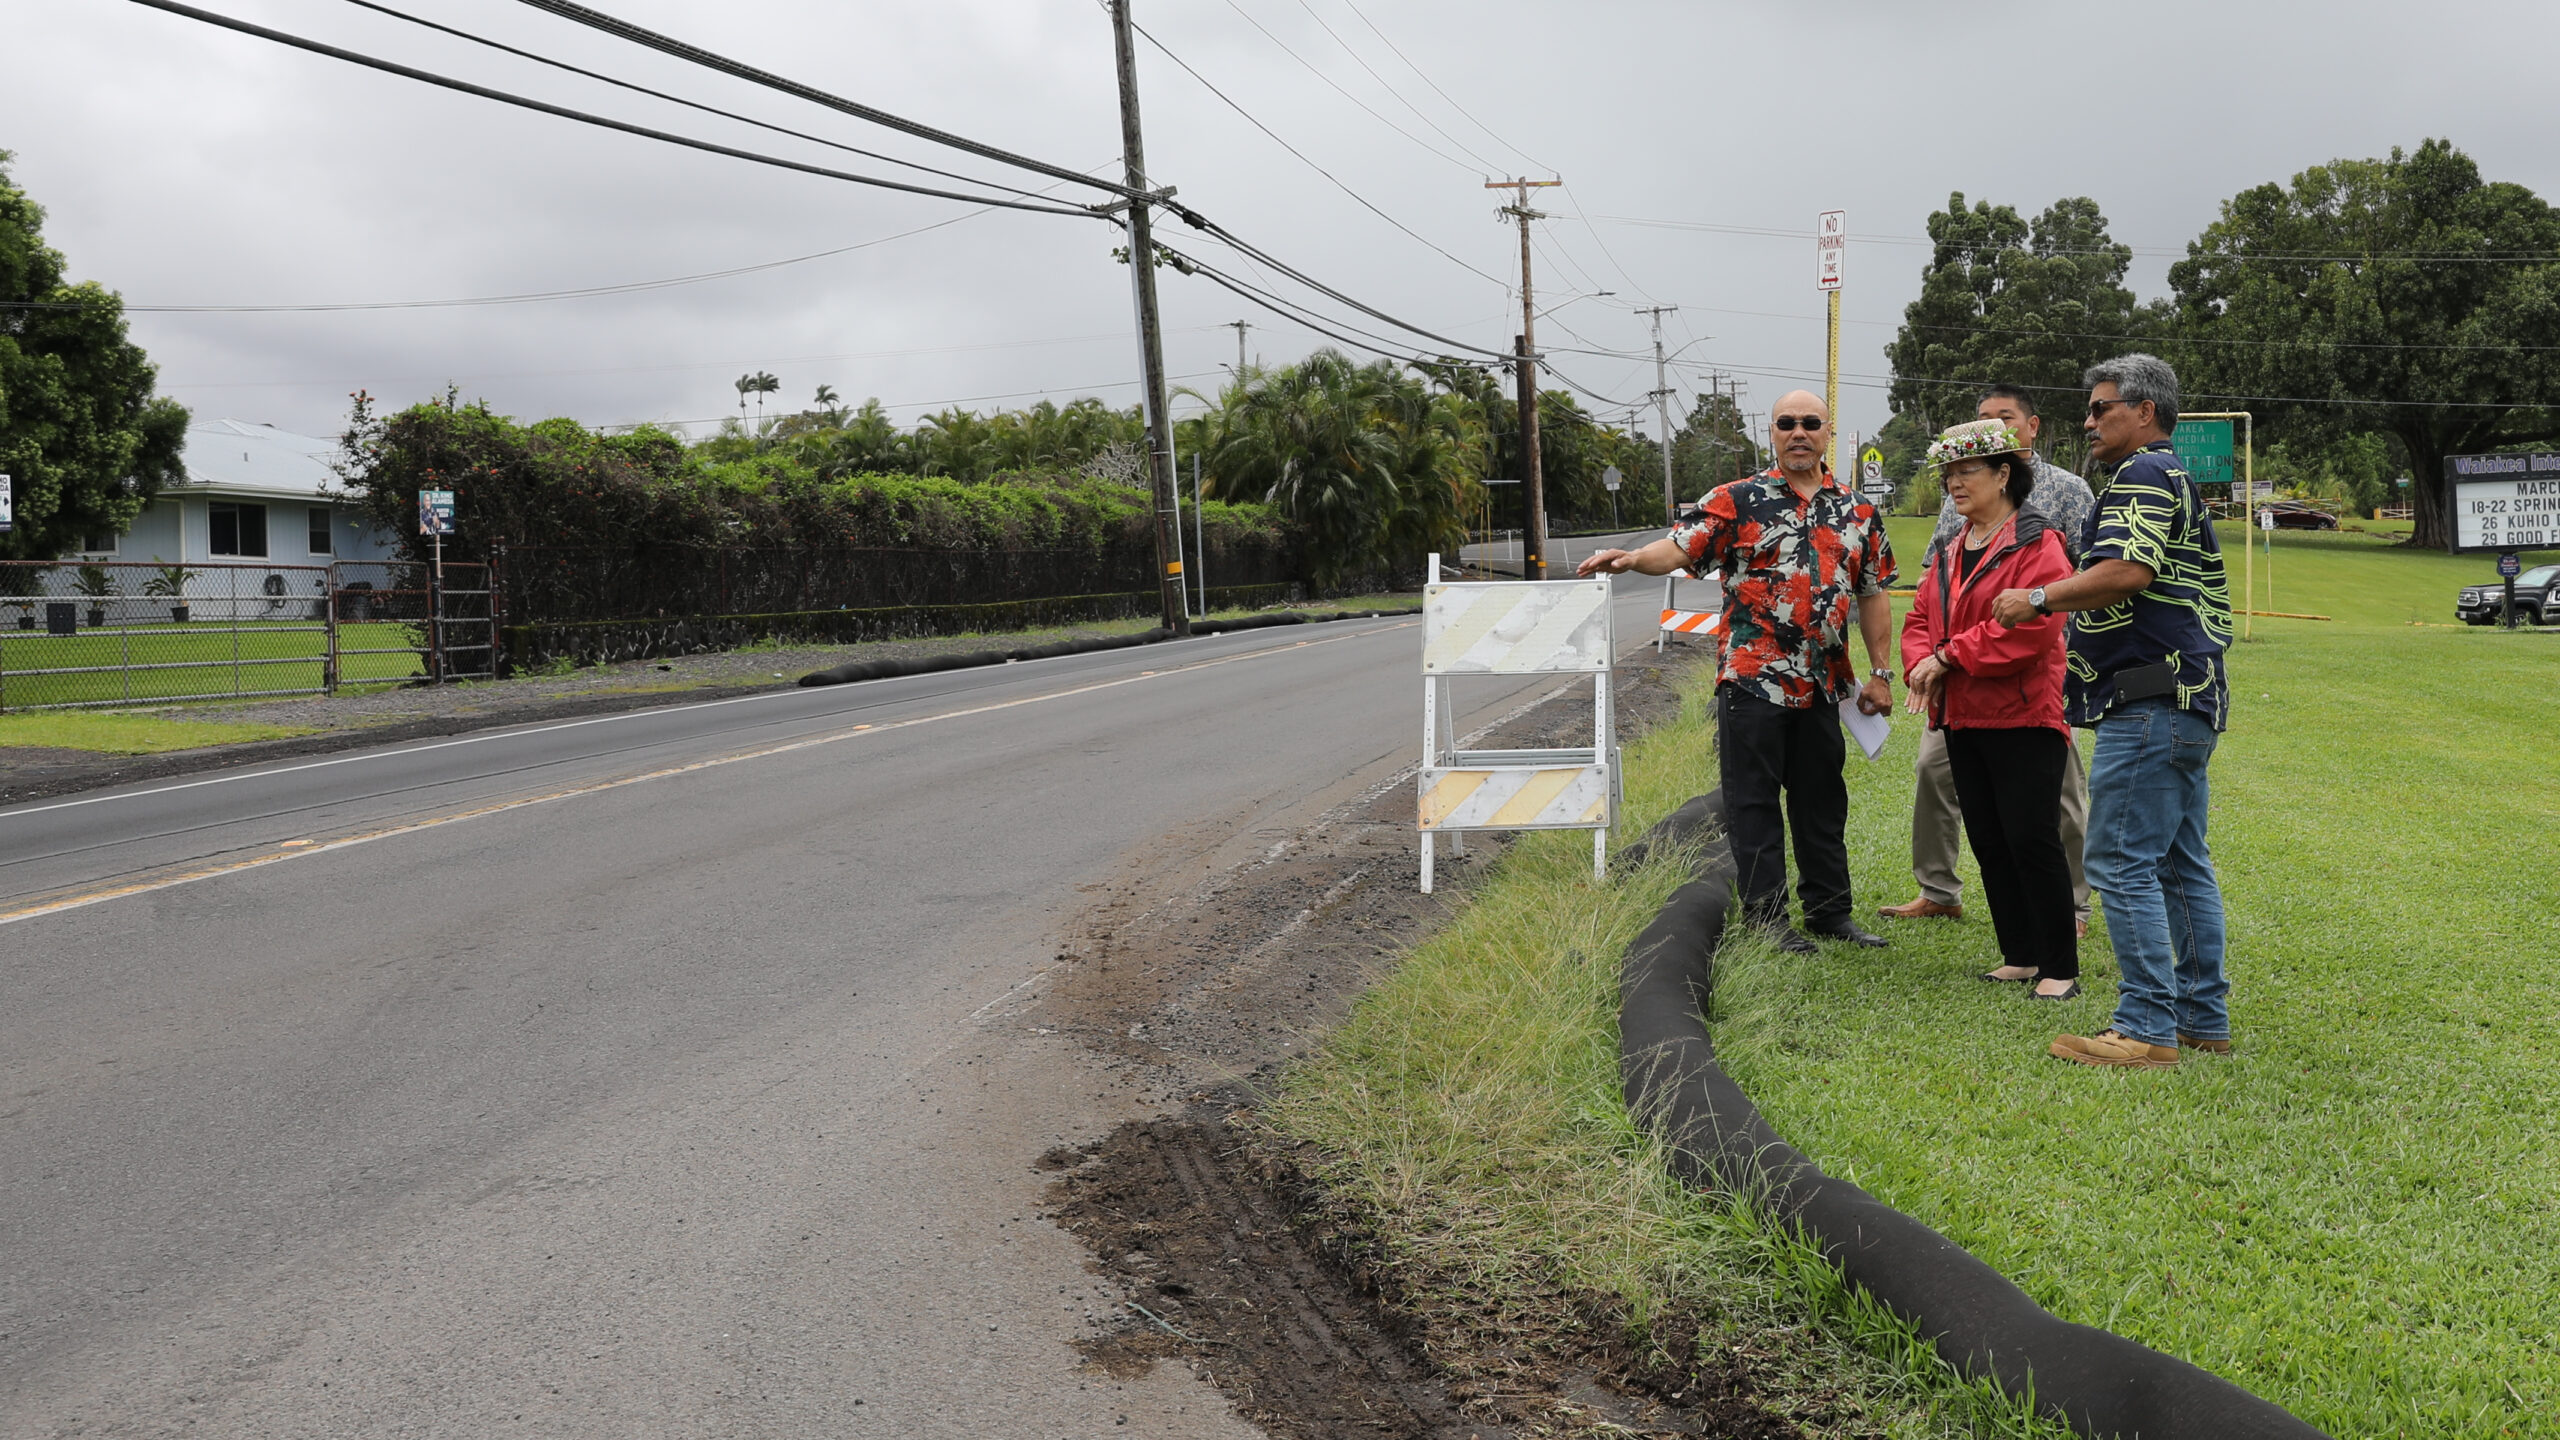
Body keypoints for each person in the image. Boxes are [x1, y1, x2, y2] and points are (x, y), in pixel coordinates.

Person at [1578, 391, 1897, 953]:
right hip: (1753, 678)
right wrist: (1630, 560)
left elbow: (1872, 594)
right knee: (1752, 802)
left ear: (1827, 431)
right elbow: (1676, 550)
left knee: (1822, 801)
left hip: (1823, 681)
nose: (1799, 432)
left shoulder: (1858, 511)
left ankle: (1829, 912)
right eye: (1786, 423)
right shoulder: (1737, 501)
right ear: (1771, 432)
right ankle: (1767, 920)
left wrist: (1880, 673)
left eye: (1810, 423)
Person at [1990, 354, 2234, 1069]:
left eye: (2102, 409)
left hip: (2148, 699)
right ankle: (2199, 1018)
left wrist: (2035, 597)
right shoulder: (2174, 476)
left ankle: (2147, 1026)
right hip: (2186, 698)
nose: (2089, 421)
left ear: (2146, 413)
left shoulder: (2143, 475)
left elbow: (2129, 570)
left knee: (2120, 858)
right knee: (2180, 862)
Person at [1879, 385, 2097, 933]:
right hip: (1959, 685)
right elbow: (1931, 591)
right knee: (1935, 769)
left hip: (2034, 674)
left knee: (2058, 794)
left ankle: (2070, 904)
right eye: (1983, 417)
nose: (1994, 424)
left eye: (2005, 417)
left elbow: (2085, 580)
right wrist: (1923, 663)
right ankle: (1938, 888)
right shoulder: (1960, 507)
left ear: (2031, 427)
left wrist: (1950, 654)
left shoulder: (2065, 494)